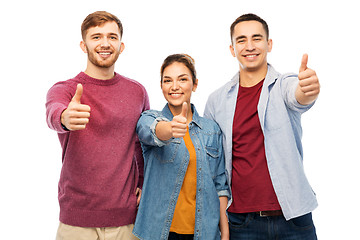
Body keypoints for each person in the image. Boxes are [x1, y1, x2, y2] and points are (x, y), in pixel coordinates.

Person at [204, 13, 320, 240]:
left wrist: (307, 90)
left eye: (256, 38)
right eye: (241, 40)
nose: (249, 46)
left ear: (269, 45)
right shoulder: (216, 101)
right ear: (232, 49)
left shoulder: (283, 84)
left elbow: (297, 95)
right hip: (241, 223)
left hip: (294, 220)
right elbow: (212, 168)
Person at [45, 11, 149, 240]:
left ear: (121, 46)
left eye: (112, 37)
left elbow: (141, 144)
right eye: (96, 37)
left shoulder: (137, 91)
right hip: (76, 222)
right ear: (83, 45)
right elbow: (53, 112)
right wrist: (64, 117)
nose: (105, 43)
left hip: (127, 220)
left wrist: (142, 181)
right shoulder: (66, 89)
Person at [133, 54, 230, 240]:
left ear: (194, 84)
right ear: (161, 85)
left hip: (204, 233)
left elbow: (220, 186)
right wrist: (170, 128)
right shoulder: (149, 118)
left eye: (183, 79)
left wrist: (224, 234)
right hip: (160, 232)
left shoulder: (211, 130)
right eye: (167, 80)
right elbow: (151, 132)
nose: (174, 86)